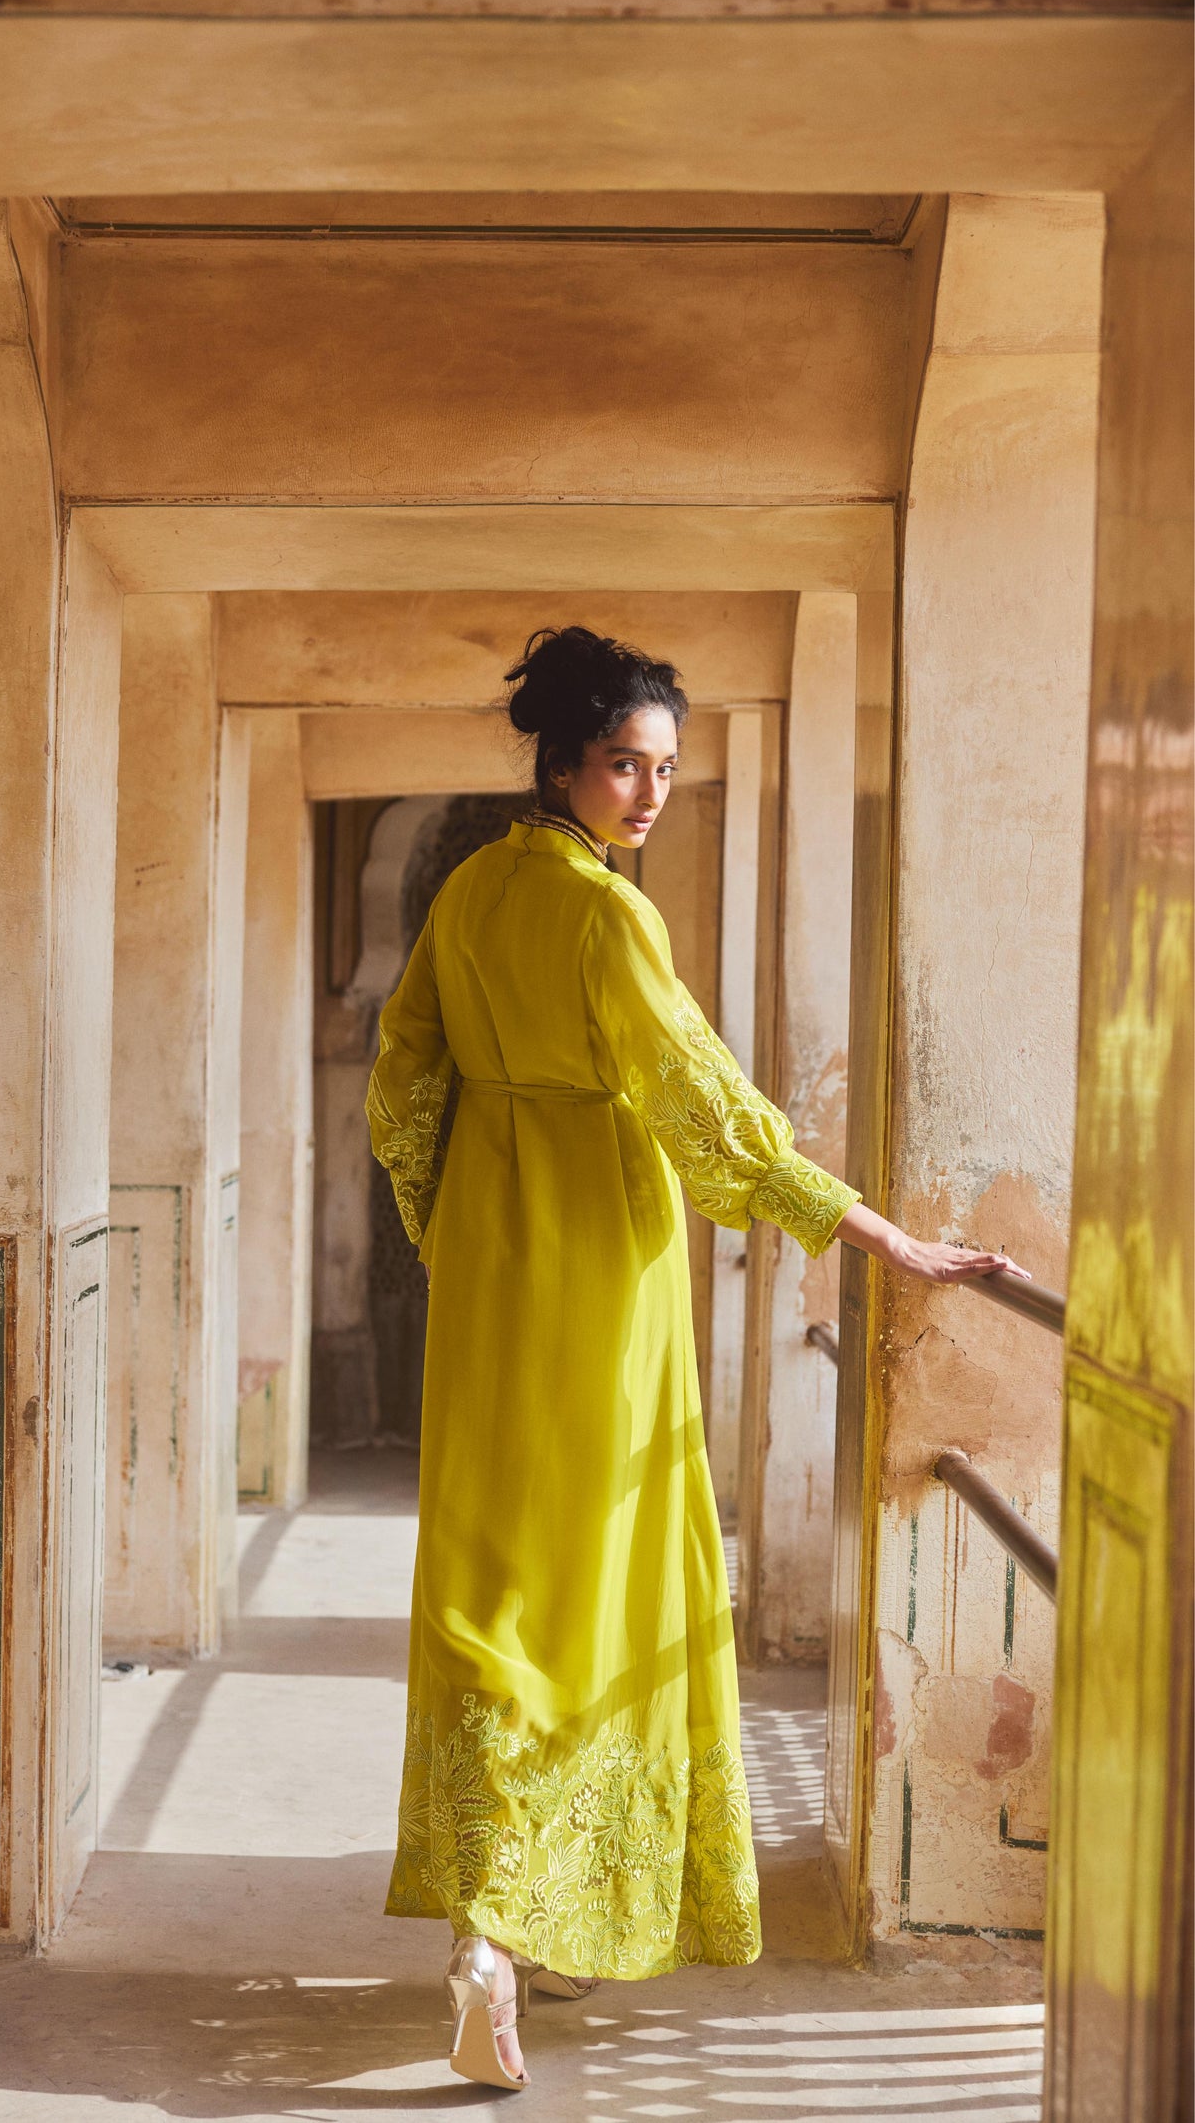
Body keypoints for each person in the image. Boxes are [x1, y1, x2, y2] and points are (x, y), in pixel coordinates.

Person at [366, 626, 1026, 2091]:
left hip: (492, 1273)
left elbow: (402, 1083)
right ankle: (525, 1926)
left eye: (665, 768)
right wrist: (879, 1239)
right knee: (600, 1582)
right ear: (563, 763)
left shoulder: (471, 892)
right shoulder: (609, 922)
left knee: (496, 1580)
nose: (648, 793)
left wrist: (453, 1226)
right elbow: (710, 1107)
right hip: (602, 1278)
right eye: (625, 764)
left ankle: (495, 1927)